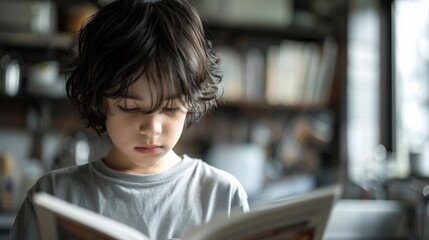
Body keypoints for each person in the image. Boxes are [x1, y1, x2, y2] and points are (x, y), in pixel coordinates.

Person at [7, 0, 249, 239]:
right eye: (130, 108)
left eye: (171, 108)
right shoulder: (53, 196)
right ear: (99, 100)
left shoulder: (221, 195)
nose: (152, 129)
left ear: (190, 102)